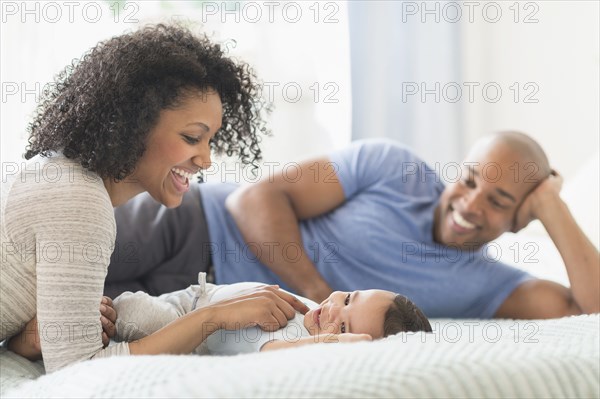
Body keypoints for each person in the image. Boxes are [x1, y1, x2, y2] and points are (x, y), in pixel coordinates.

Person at [1, 24, 308, 373]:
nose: (206, 159)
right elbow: (78, 371)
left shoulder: (64, 176)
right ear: (134, 124)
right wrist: (214, 317)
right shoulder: (79, 200)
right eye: (193, 137)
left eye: (211, 141)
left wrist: (24, 341)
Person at [106, 132, 599, 320]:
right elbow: (255, 199)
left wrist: (552, 205)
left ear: (519, 220)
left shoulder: (489, 286)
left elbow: (589, 309)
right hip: (193, 226)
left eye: (499, 201)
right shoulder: (389, 166)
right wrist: (319, 294)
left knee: (71, 326)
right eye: (469, 180)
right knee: (52, 265)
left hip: (194, 305)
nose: (469, 204)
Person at [112, 273, 432, 354]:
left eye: (344, 324)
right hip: (195, 295)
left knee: (131, 312)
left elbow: (277, 353)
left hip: (181, 327)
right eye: (348, 297)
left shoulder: (291, 340)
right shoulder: (312, 311)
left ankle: (105, 321)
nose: (333, 308)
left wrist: (334, 345)